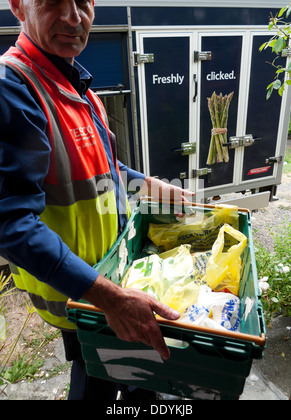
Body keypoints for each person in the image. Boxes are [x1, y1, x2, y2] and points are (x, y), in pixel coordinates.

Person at [0, 0, 193, 400]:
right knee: (102, 383)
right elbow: (10, 224)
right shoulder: (12, 89)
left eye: (84, 1)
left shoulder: (74, 84)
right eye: (54, 1)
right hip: (82, 296)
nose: (74, 17)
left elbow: (102, 171)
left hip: (104, 283)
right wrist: (112, 298)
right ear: (19, 7)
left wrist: (151, 185)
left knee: (117, 379)